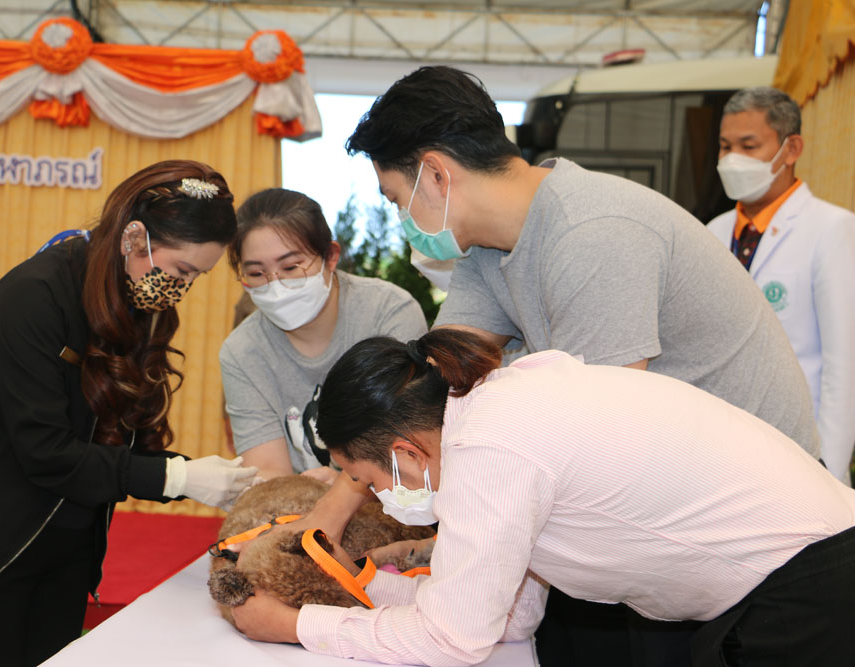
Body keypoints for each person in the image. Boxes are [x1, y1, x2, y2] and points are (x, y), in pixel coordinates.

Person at [335, 64, 823, 666]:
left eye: (395, 200)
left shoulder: (593, 234)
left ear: (436, 173)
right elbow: (431, 396)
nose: (402, 221)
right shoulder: (487, 249)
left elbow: (589, 447)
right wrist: (340, 505)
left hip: (753, 539)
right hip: (664, 524)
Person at [231, 329, 855, 667]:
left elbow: (452, 642)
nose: (376, 495)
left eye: (368, 479)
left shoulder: (488, 452)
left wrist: (293, 625)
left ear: (406, 453)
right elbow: (512, 615)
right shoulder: (496, 406)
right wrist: (366, 586)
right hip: (809, 567)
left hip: (806, 592)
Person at [0, 160, 259, 666]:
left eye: (196, 277)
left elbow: (117, 440)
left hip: (68, 535)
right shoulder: (33, 296)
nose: (181, 288)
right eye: (182, 271)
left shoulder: (138, 300)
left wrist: (194, 473)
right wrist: (179, 477)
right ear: (134, 238)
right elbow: (46, 451)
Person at [220, 187, 427, 483]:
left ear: (330, 256)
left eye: (291, 267)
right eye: (256, 273)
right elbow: (267, 472)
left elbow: (407, 442)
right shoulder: (241, 351)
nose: (275, 285)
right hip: (300, 502)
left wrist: (343, 492)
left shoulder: (388, 312)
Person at [708, 86, 855, 485]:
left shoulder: (831, 229)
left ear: (791, 149)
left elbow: (843, 364)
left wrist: (829, 469)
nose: (732, 159)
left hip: (800, 447)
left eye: (749, 146)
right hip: (723, 444)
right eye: (725, 146)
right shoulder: (714, 231)